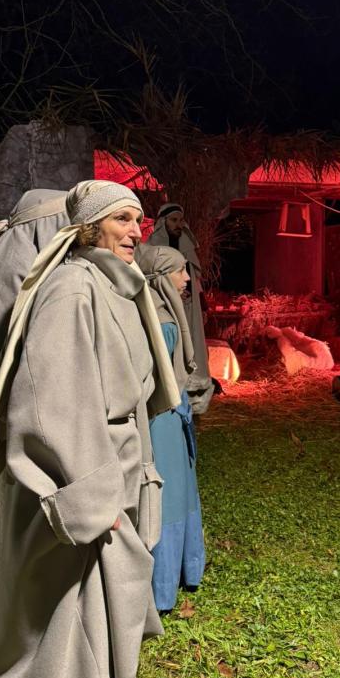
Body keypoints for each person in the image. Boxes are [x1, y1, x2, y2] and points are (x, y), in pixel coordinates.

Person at [0, 180, 180, 678]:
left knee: (100, 625)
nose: (135, 231)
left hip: (108, 472)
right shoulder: (71, 290)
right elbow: (49, 405)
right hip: (72, 489)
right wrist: (90, 499)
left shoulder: (111, 287)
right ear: (90, 225)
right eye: (122, 219)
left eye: (138, 220)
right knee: (61, 631)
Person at [0, 188, 69, 659]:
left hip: (18, 428)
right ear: (43, 229)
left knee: (14, 536)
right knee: (24, 543)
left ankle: (5, 636)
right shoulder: (18, 272)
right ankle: (19, 644)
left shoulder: (11, 263)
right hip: (21, 431)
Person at [136, 243, 206, 612]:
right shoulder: (159, 319)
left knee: (179, 490)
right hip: (161, 416)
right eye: (180, 271)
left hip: (172, 415)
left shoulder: (161, 311)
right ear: (161, 277)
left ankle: (180, 570)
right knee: (169, 493)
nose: (186, 279)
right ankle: (164, 583)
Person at [149, 203, 214, 413]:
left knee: (192, 339)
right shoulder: (153, 247)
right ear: (163, 222)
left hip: (189, 305)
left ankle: (193, 387)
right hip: (165, 306)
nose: (178, 224)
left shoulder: (186, 244)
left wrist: (202, 303)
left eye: (180, 220)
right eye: (173, 220)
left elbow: (195, 278)